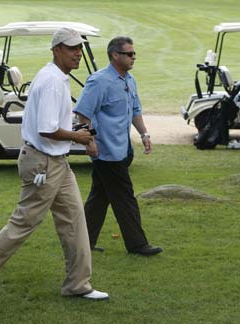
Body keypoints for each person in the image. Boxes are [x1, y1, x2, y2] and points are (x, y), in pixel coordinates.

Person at [0, 28, 109, 301]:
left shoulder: (58, 78)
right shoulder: (50, 81)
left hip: (56, 162)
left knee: (74, 222)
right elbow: (47, 129)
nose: (78, 53)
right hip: (43, 164)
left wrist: (75, 134)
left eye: (79, 48)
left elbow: (53, 125)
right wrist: (78, 136)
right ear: (56, 49)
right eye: (72, 48)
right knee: (22, 224)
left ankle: (78, 284)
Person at [74, 36, 163, 256]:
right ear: (115, 55)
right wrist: (90, 141)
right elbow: (83, 114)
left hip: (123, 150)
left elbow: (135, 111)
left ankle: (82, 243)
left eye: (134, 53)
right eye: (129, 54)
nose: (134, 57)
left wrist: (144, 134)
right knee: (125, 198)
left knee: (99, 198)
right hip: (106, 153)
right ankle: (137, 245)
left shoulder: (129, 80)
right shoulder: (99, 81)